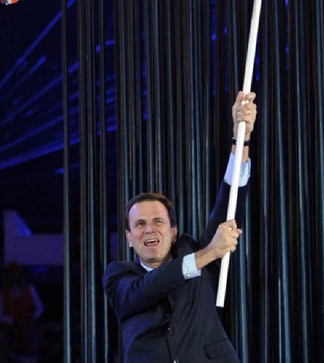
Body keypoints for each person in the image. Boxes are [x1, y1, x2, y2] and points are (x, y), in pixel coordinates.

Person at [103, 91, 257, 362]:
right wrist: (209, 253)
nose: (149, 229)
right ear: (129, 238)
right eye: (139, 224)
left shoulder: (197, 257)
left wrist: (241, 138)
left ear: (173, 233)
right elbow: (147, 289)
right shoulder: (119, 278)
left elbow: (230, 201)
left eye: (157, 221)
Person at [0, 262, 44, 362]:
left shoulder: (30, 289)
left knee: (30, 358)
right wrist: (11, 321)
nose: (13, 277)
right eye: (10, 274)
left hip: (28, 330)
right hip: (11, 333)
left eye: (15, 273)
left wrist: (33, 318)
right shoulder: (2, 293)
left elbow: (40, 307)